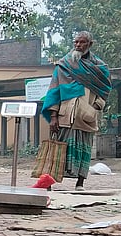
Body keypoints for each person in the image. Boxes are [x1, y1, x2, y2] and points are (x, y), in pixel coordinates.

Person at [42, 31, 112, 190]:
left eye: (82, 42)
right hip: (65, 115)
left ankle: (80, 182)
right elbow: (54, 90)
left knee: (84, 149)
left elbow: (105, 89)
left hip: (86, 116)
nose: (78, 45)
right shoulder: (63, 65)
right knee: (58, 150)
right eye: (76, 42)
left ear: (90, 44)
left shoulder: (99, 67)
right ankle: (50, 183)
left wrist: (96, 107)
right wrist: (53, 116)